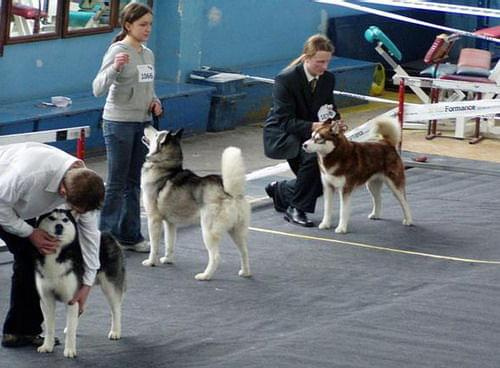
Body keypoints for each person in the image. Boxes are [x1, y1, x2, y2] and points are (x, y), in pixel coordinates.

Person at [0, 142, 105, 348]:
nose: (80, 215)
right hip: (3, 200)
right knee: (30, 253)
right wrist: (30, 233)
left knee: (35, 259)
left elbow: (91, 235)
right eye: (75, 210)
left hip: (17, 204)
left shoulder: (88, 186)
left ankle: (20, 331)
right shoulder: (28, 175)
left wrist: (87, 283)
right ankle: (19, 329)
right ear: (63, 192)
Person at [92, 2, 162, 252]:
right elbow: (97, 87)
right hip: (118, 122)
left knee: (135, 181)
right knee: (116, 182)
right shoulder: (117, 50)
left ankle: (130, 235)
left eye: (150, 25)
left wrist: (155, 101)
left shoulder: (148, 53)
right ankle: (104, 238)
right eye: (143, 25)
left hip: (142, 123)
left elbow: (147, 84)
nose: (148, 29)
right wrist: (115, 68)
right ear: (128, 25)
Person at [263, 34, 340, 227]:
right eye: (319, 62)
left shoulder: (328, 79)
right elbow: (285, 120)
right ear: (306, 58)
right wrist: (314, 126)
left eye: (327, 62)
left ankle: (281, 190)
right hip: (284, 133)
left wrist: (336, 121)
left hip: (311, 131)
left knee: (322, 179)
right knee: (314, 161)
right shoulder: (285, 79)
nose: (324, 67)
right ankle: (296, 209)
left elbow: (329, 108)